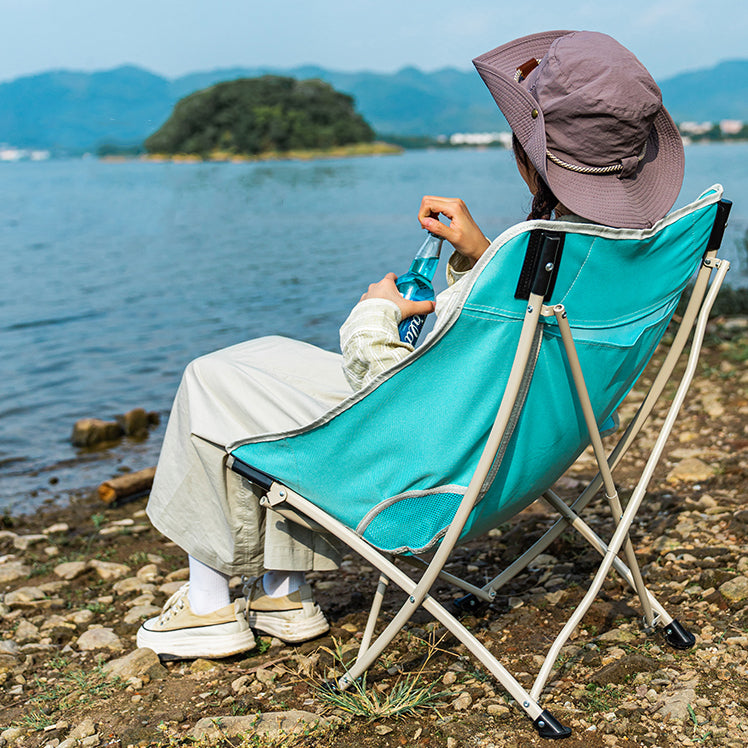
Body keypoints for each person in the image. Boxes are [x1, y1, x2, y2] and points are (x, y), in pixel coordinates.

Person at [137, 30, 684, 659]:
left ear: (526, 152)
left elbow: (396, 393)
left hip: (432, 468)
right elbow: (546, 349)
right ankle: (283, 593)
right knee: (259, 356)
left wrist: (375, 312)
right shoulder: (619, 260)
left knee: (211, 378)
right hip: (524, 456)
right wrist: (482, 256)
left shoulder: (536, 251)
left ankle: (208, 607)